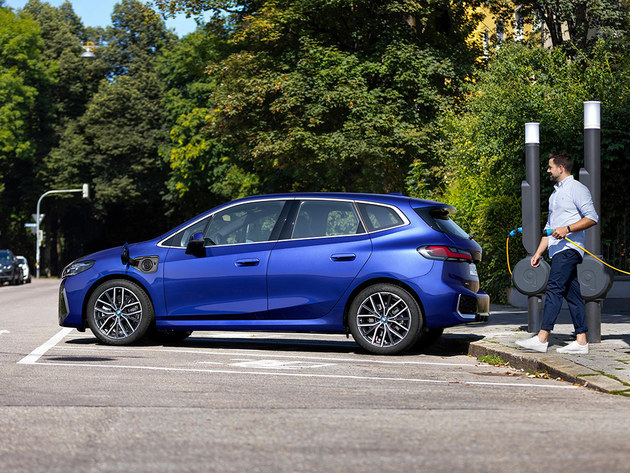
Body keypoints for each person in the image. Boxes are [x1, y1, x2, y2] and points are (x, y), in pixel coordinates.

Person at [516, 151, 598, 354]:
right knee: (574, 295)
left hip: (570, 249)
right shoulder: (555, 194)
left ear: (561, 168)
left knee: (553, 289)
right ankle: (581, 341)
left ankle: (543, 338)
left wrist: (568, 229)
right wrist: (538, 253)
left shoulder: (577, 189)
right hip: (556, 250)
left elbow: (592, 217)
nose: (547, 170)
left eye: (550, 166)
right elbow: (550, 228)